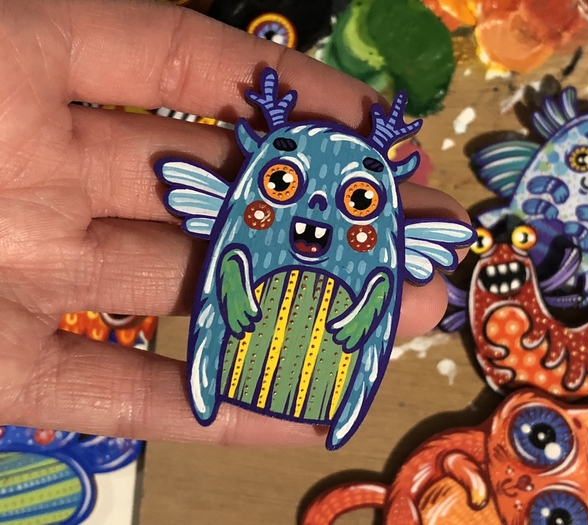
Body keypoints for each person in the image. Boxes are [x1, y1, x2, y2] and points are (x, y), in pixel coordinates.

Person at [0, 0, 470, 446]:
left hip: (326, 373)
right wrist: (234, 287)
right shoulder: (247, 229)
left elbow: (381, 288)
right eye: (283, 183)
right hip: (245, 356)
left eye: (359, 199)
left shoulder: (374, 255)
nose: (316, 214)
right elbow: (231, 261)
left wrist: (365, 311)